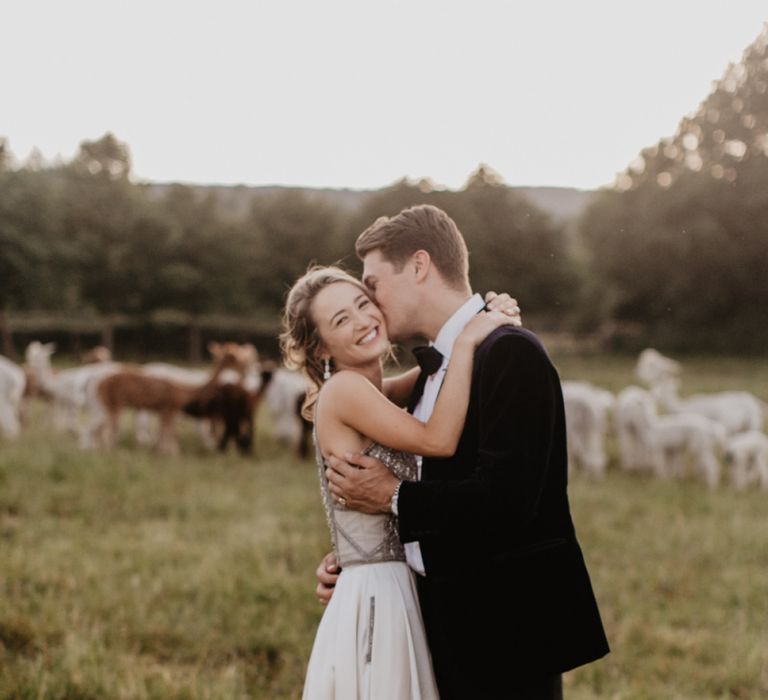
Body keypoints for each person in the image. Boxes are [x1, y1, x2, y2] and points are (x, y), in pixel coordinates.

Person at [318, 204, 610, 699]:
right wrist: (358, 563)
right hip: (440, 625)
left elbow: (508, 500)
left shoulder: (510, 353)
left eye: (372, 285)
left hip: (506, 633)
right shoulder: (435, 370)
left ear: (419, 265)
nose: (370, 303)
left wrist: (394, 497)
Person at [281, 266, 519, 699]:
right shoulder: (346, 392)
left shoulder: (376, 391)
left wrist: (489, 315)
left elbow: (440, 373)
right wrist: (469, 339)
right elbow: (438, 439)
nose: (362, 320)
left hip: (394, 582)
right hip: (378, 593)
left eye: (362, 303)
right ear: (319, 350)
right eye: (341, 321)